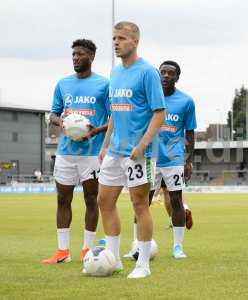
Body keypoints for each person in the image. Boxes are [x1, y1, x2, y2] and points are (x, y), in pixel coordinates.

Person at [97, 21, 165, 279]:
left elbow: (159, 113)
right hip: (115, 152)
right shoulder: (114, 73)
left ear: (135, 41)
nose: (116, 42)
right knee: (104, 200)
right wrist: (105, 145)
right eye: (114, 38)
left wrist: (143, 144)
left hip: (140, 153)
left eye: (122, 38)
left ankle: (143, 265)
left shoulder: (147, 72)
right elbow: (114, 112)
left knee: (139, 205)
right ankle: (112, 259)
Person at [42, 39, 110, 264]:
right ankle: (63, 252)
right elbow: (52, 114)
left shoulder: (104, 84)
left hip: (91, 154)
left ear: (91, 56)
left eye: (80, 54)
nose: (75, 58)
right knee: (63, 199)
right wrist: (62, 123)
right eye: (73, 55)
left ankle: (86, 250)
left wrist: (95, 130)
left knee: (92, 200)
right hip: (65, 152)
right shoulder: (63, 84)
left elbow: (115, 118)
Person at [124, 60, 196, 260]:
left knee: (176, 201)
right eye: (162, 72)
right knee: (141, 202)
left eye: (170, 73)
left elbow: (190, 134)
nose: (165, 76)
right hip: (149, 158)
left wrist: (188, 160)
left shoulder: (186, 102)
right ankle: (136, 246)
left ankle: (178, 247)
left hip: (174, 160)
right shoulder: (147, 98)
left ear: (177, 77)